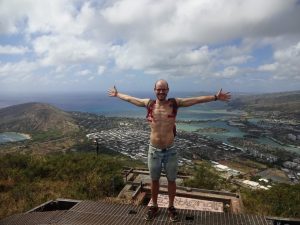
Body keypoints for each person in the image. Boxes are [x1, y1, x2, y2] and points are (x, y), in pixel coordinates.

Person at [108, 79, 231, 222]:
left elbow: (196, 100)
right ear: (154, 90)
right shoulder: (149, 104)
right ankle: (154, 207)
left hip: (170, 150)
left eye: (164, 89)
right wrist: (117, 94)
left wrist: (215, 97)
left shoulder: (174, 103)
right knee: (154, 181)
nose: (161, 92)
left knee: (171, 181)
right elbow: (130, 99)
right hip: (154, 151)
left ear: (168, 90)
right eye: (159, 89)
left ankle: (171, 207)